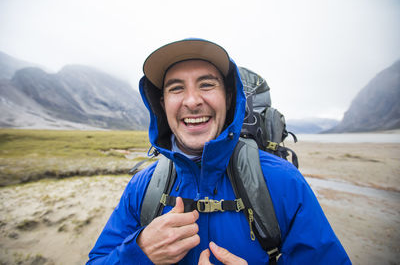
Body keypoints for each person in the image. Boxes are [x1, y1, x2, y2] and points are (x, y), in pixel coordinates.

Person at [87, 38, 351, 264]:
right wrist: (140, 251)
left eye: (206, 84)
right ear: (162, 103)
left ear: (229, 97)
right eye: (176, 88)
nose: (192, 101)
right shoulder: (142, 189)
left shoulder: (283, 182)